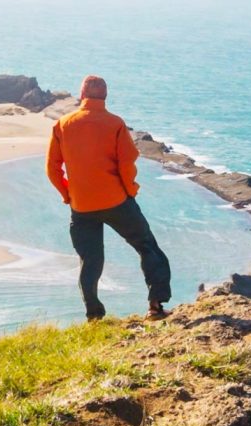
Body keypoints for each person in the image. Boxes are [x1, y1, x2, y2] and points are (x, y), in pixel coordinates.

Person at [46, 75, 172, 320]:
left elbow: (52, 168)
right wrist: (130, 190)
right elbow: (126, 164)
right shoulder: (115, 123)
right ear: (105, 96)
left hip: (81, 206)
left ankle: (94, 316)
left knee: (90, 261)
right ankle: (156, 307)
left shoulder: (63, 124)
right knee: (148, 248)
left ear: (81, 95)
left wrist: (67, 194)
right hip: (116, 201)